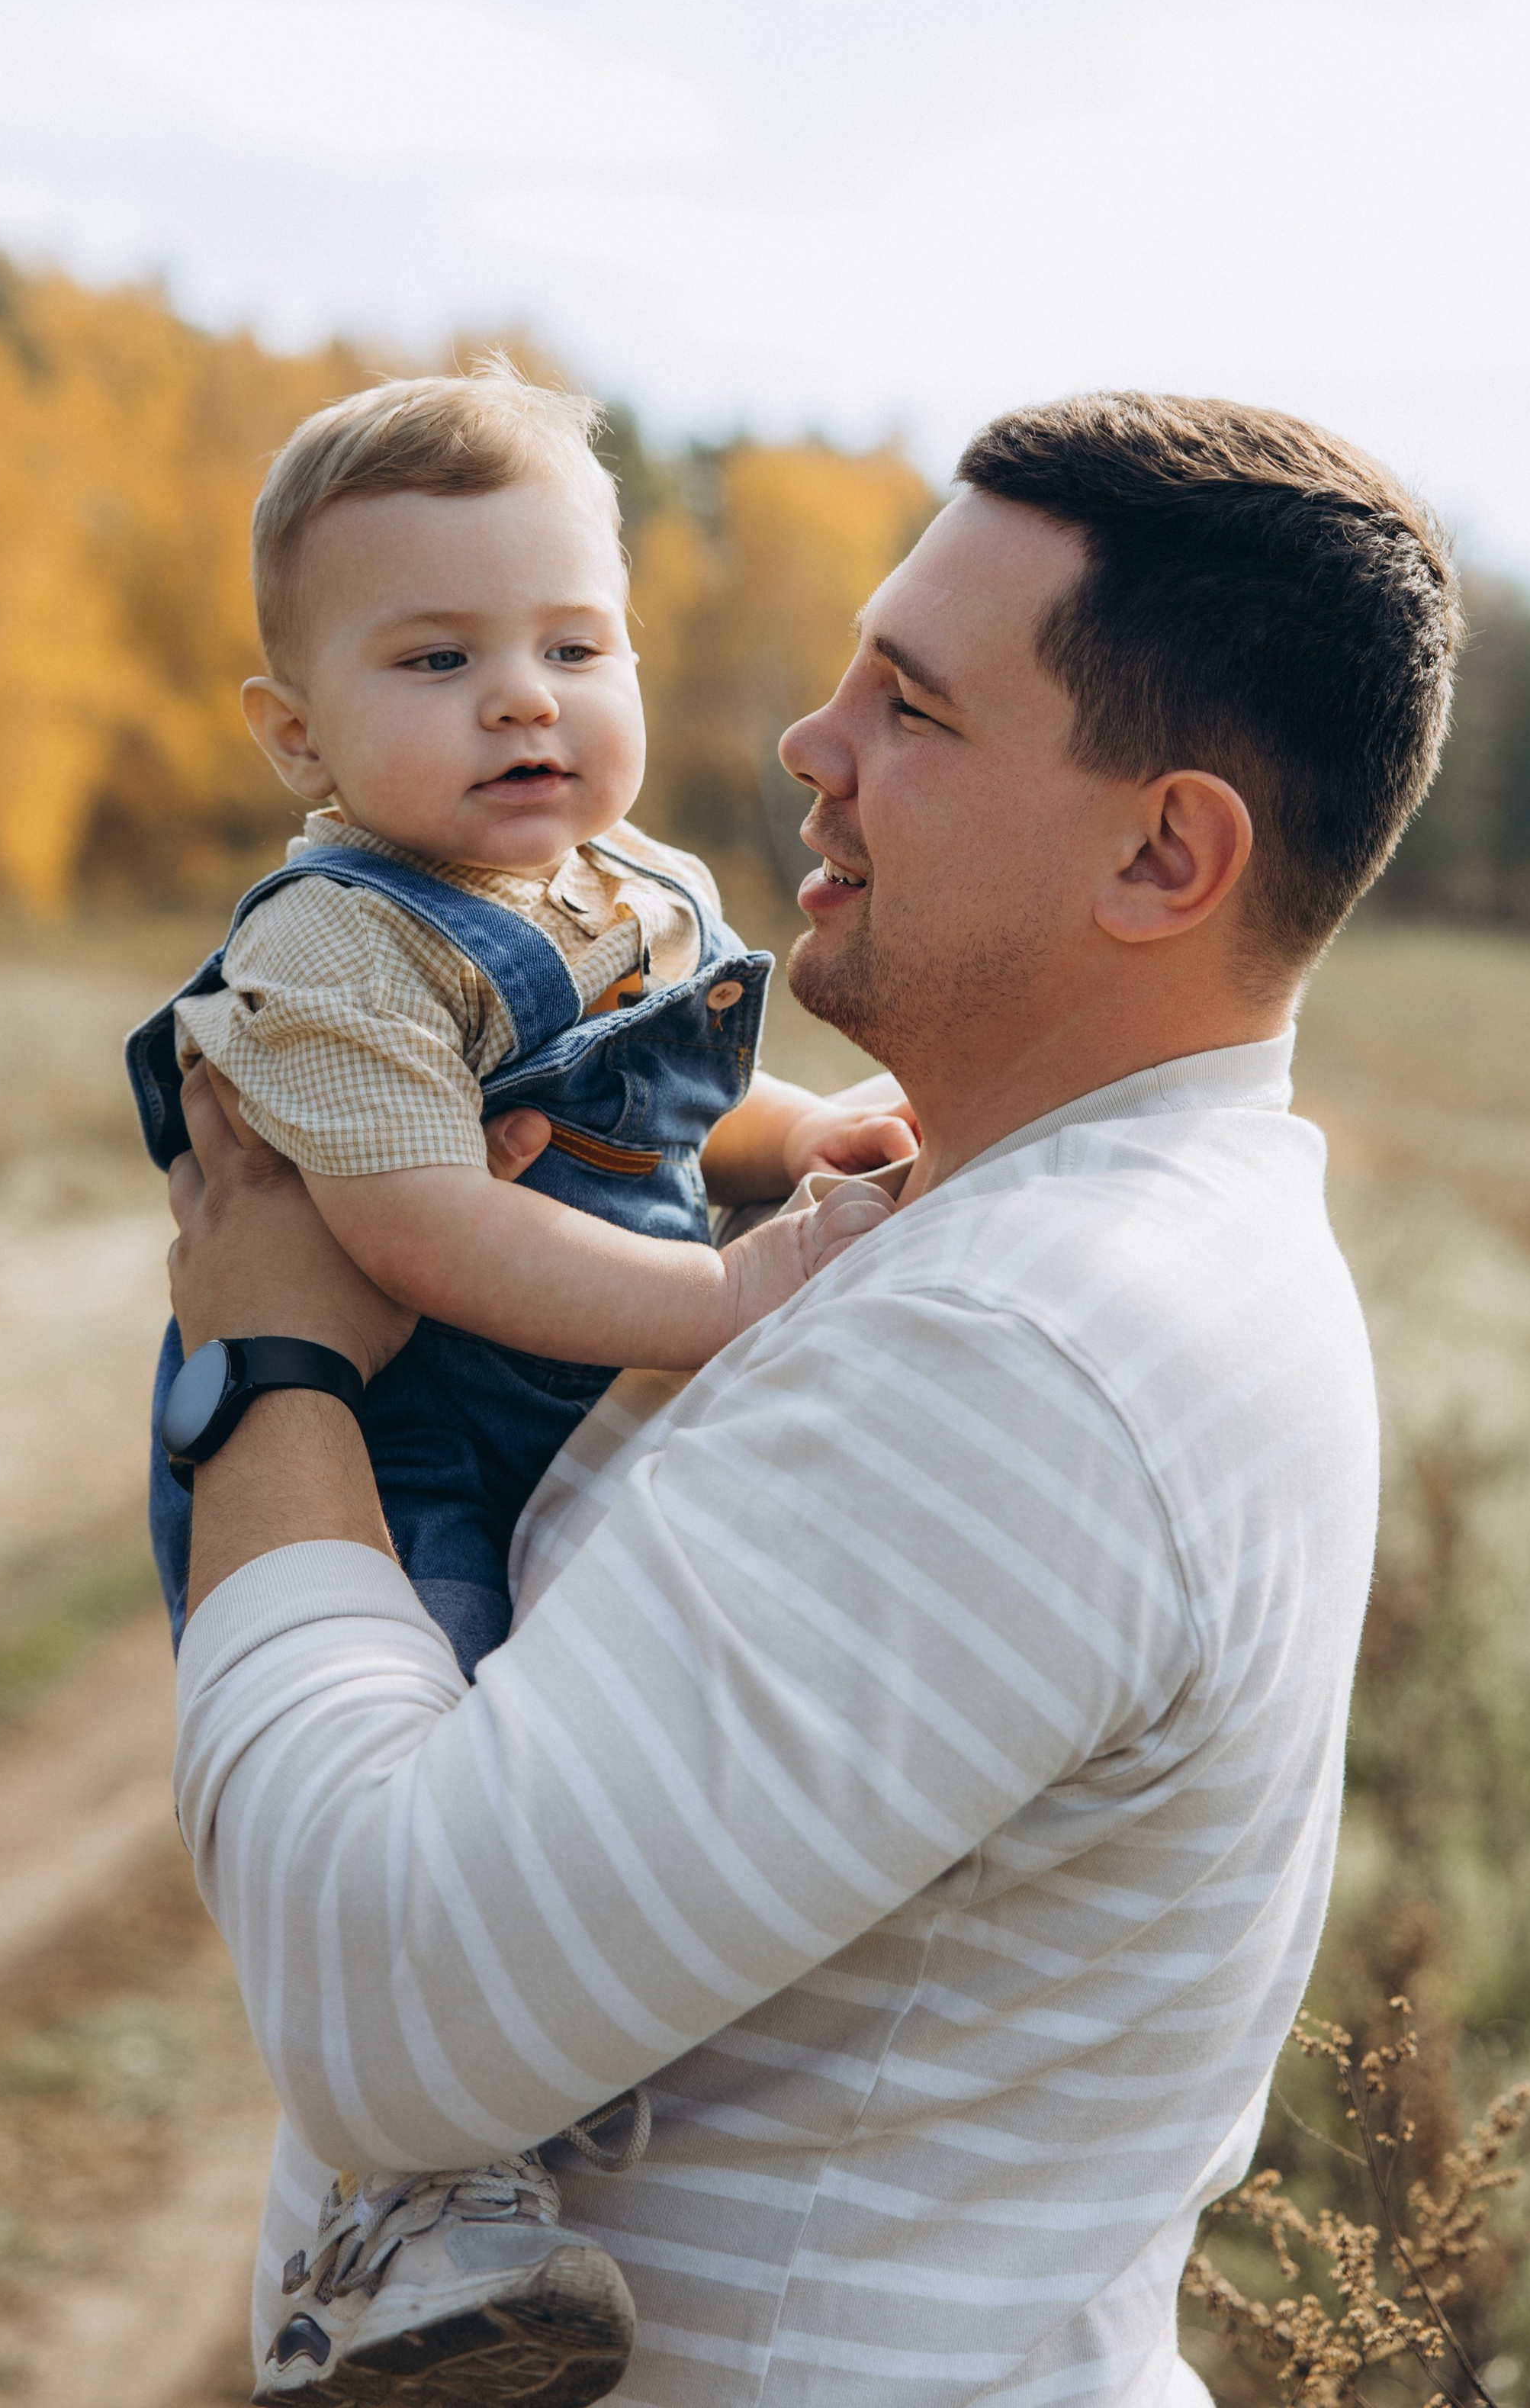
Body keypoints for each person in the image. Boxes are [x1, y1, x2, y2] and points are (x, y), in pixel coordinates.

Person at [165, 391, 1464, 2408]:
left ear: (1165, 851)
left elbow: (386, 2013)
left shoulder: (1031, 1350)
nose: (808, 743)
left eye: (913, 710)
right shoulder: (1066, 1228)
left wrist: (269, 1359)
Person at [129, 358, 911, 1675]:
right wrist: (726, 1289)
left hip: (598, 1376)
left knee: (637, 1685)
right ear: (300, 737)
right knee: (423, 1707)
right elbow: (425, 1231)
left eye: (572, 647)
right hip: (400, 1439)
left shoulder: (639, 884)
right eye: (439, 658)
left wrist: (793, 1140)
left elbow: (657, 1127)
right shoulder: (340, 943)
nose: (523, 697)